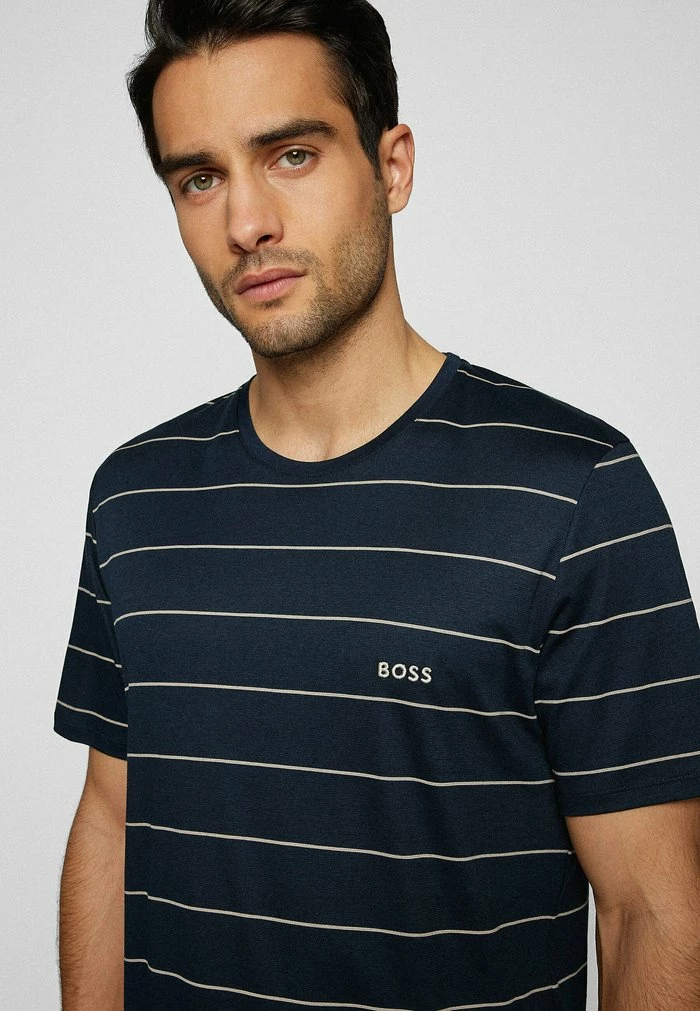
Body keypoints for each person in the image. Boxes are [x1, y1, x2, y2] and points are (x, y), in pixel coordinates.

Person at [53, 1, 700, 1008]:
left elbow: (652, 909)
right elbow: (109, 816)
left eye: (292, 155)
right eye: (199, 178)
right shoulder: (135, 496)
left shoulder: (575, 492)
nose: (246, 224)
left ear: (391, 167)